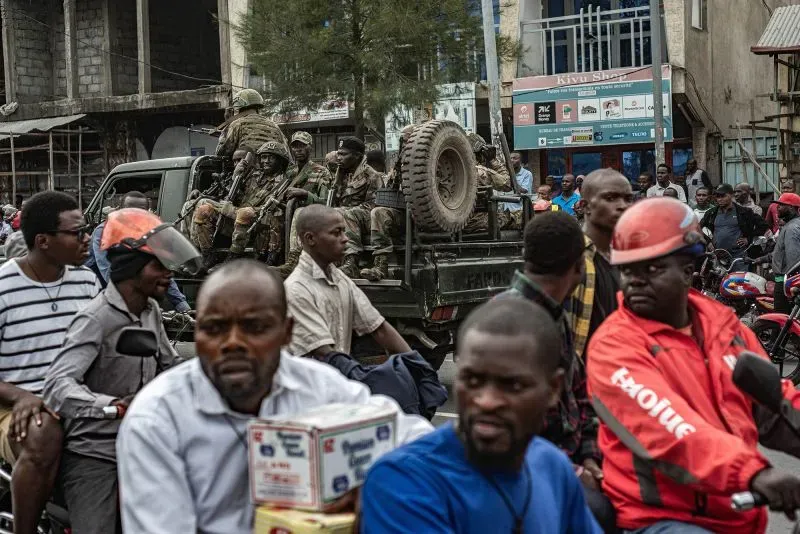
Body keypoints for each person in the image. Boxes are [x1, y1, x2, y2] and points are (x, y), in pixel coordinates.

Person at [117, 260, 433, 533]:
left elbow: (415, 438)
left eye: (254, 327)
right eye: (214, 329)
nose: (232, 343)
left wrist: (378, 485)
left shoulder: (321, 387)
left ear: (286, 332)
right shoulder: (158, 418)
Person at [587, 196, 800, 533]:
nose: (634, 281)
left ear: (689, 271)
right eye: (627, 270)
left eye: (652, 269)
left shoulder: (723, 327)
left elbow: (775, 404)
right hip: (662, 519)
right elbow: (671, 430)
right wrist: (753, 472)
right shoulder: (614, 347)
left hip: (736, 513)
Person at [360, 299, 602, 533]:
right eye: (472, 381)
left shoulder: (552, 467)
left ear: (553, 390)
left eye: (512, 385)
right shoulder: (404, 481)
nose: (486, 401)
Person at [44, 208, 197, 534]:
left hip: (145, 443)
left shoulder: (150, 310)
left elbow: (169, 365)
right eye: (158, 266)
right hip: (96, 453)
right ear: (131, 268)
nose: (168, 275)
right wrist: (111, 407)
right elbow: (58, 385)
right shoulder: (96, 318)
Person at [496, 212, 614, 530]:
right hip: (530, 470)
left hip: (569, 457)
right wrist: (573, 471)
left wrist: (588, 455)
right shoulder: (511, 322)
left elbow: (578, 392)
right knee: (603, 512)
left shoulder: (553, 313)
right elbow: (509, 430)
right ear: (578, 268)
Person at [0, 192, 98, 534]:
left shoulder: (87, 282)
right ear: (43, 241)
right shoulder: (3, 288)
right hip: (14, 408)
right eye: (77, 232)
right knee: (44, 433)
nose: (87, 238)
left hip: (76, 400)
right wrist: (21, 396)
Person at [285, 205, 411, 358]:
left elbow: (379, 328)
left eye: (344, 232)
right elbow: (323, 352)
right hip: (315, 371)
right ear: (310, 239)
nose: (345, 238)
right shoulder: (297, 289)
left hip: (336, 369)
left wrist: (417, 363)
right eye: (336, 233)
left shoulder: (340, 280)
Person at [567, 169, 634, 360]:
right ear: (585, 206)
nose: (622, 206)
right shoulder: (572, 258)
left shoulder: (626, 258)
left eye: (628, 199)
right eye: (611, 198)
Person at [192, 140, 292, 267]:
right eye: (264, 157)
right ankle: (207, 254)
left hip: (259, 225)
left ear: (280, 161)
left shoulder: (284, 182)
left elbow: (272, 209)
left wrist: (233, 211)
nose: (266, 161)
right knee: (203, 209)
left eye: (271, 158)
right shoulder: (254, 175)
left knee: (245, 213)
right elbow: (235, 195)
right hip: (238, 221)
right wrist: (235, 177)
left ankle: (233, 256)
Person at [87, 191, 191, 312]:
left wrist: (183, 306)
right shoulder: (104, 231)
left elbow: (161, 268)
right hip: (94, 293)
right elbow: (108, 272)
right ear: (120, 210)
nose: (134, 215)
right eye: (129, 210)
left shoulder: (149, 234)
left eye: (140, 211)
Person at [275, 131, 334, 277]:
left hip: (312, 217)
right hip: (288, 214)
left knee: (299, 212)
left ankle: (293, 261)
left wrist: (305, 194)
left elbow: (326, 202)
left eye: (302, 146)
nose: (298, 150)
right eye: (295, 146)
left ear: (310, 148)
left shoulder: (321, 172)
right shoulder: (290, 173)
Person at [332, 137, 386, 278]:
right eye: (338, 154)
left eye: (343, 154)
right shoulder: (341, 174)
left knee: (346, 213)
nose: (339, 158)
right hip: (346, 217)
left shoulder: (371, 175)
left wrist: (345, 210)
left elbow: (375, 205)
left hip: (368, 219)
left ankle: (352, 263)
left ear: (357, 156)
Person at [701, 183, 768, 257]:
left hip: (739, 256)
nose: (719, 199)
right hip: (718, 256)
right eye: (718, 197)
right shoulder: (711, 213)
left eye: (723, 196)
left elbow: (763, 225)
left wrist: (749, 239)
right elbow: (697, 228)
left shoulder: (744, 212)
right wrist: (708, 242)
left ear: (731, 195)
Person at [215, 88, 287, 158]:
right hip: (271, 165)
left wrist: (227, 126)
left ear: (238, 108)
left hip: (246, 165)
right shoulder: (275, 126)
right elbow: (286, 153)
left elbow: (221, 152)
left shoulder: (237, 124)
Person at [463, 135, 513, 233]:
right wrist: (493, 160)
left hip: (453, 225)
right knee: (520, 215)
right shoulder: (480, 171)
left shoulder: (443, 173)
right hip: (479, 223)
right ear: (481, 153)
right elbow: (507, 185)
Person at [771, 192, 800, 314]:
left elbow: (794, 258)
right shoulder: (792, 225)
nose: (777, 207)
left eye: (781, 205)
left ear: (791, 208)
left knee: (781, 318)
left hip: (785, 281)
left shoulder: (791, 228)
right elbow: (782, 252)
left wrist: (793, 284)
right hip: (786, 279)